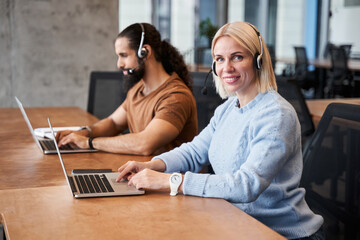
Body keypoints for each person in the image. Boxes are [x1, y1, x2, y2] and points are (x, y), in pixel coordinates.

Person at [115, 22, 325, 240]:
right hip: (236, 222)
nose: (226, 68)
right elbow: (194, 152)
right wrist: (150, 165)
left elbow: (247, 185)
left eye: (237, 57)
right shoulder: (227, 109)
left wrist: (170, 181)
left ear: (258, 60)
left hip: (281, 233)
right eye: (219, 59)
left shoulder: (276, 115)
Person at [56, 23, 198, 155]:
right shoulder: (138, 89)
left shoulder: (175, 96)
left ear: (145, 52)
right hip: (140, 174)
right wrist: (83, 133)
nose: (119, 64)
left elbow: (145, 144)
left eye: (124, 56)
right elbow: (113, 123)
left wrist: (89, 143)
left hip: (167, 179)